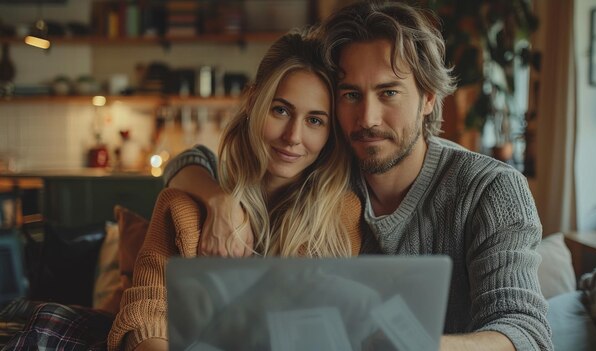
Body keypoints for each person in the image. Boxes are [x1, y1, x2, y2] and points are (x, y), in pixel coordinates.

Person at [184, 2, 553, 351]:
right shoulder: (323, 169)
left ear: (427, 97)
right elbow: (193, 159)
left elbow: (525, 332)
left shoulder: (490, 188)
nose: (368, 119)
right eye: (350, 95)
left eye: (388, 92)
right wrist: (218, 199)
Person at [107, 30, 363, 351]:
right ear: (254, 102)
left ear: (331, 132)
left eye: (315, 120)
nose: (293, 136)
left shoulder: (341, 215)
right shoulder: (183, 207)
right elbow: (148, 316)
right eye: (280, 110)